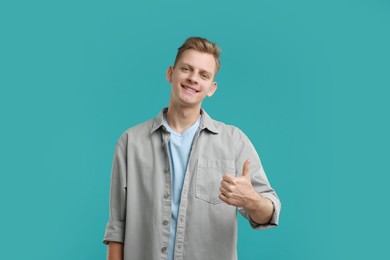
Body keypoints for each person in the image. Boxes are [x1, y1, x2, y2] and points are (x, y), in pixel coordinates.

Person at [103, 37, 281, 260]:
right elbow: (117, 226)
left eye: (203, 75)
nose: (193, 79)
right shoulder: (130, 142)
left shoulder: (234, 141)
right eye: (186, 69)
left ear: (211, 88)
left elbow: (270, 212)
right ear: (170, 74)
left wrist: (252, 200)